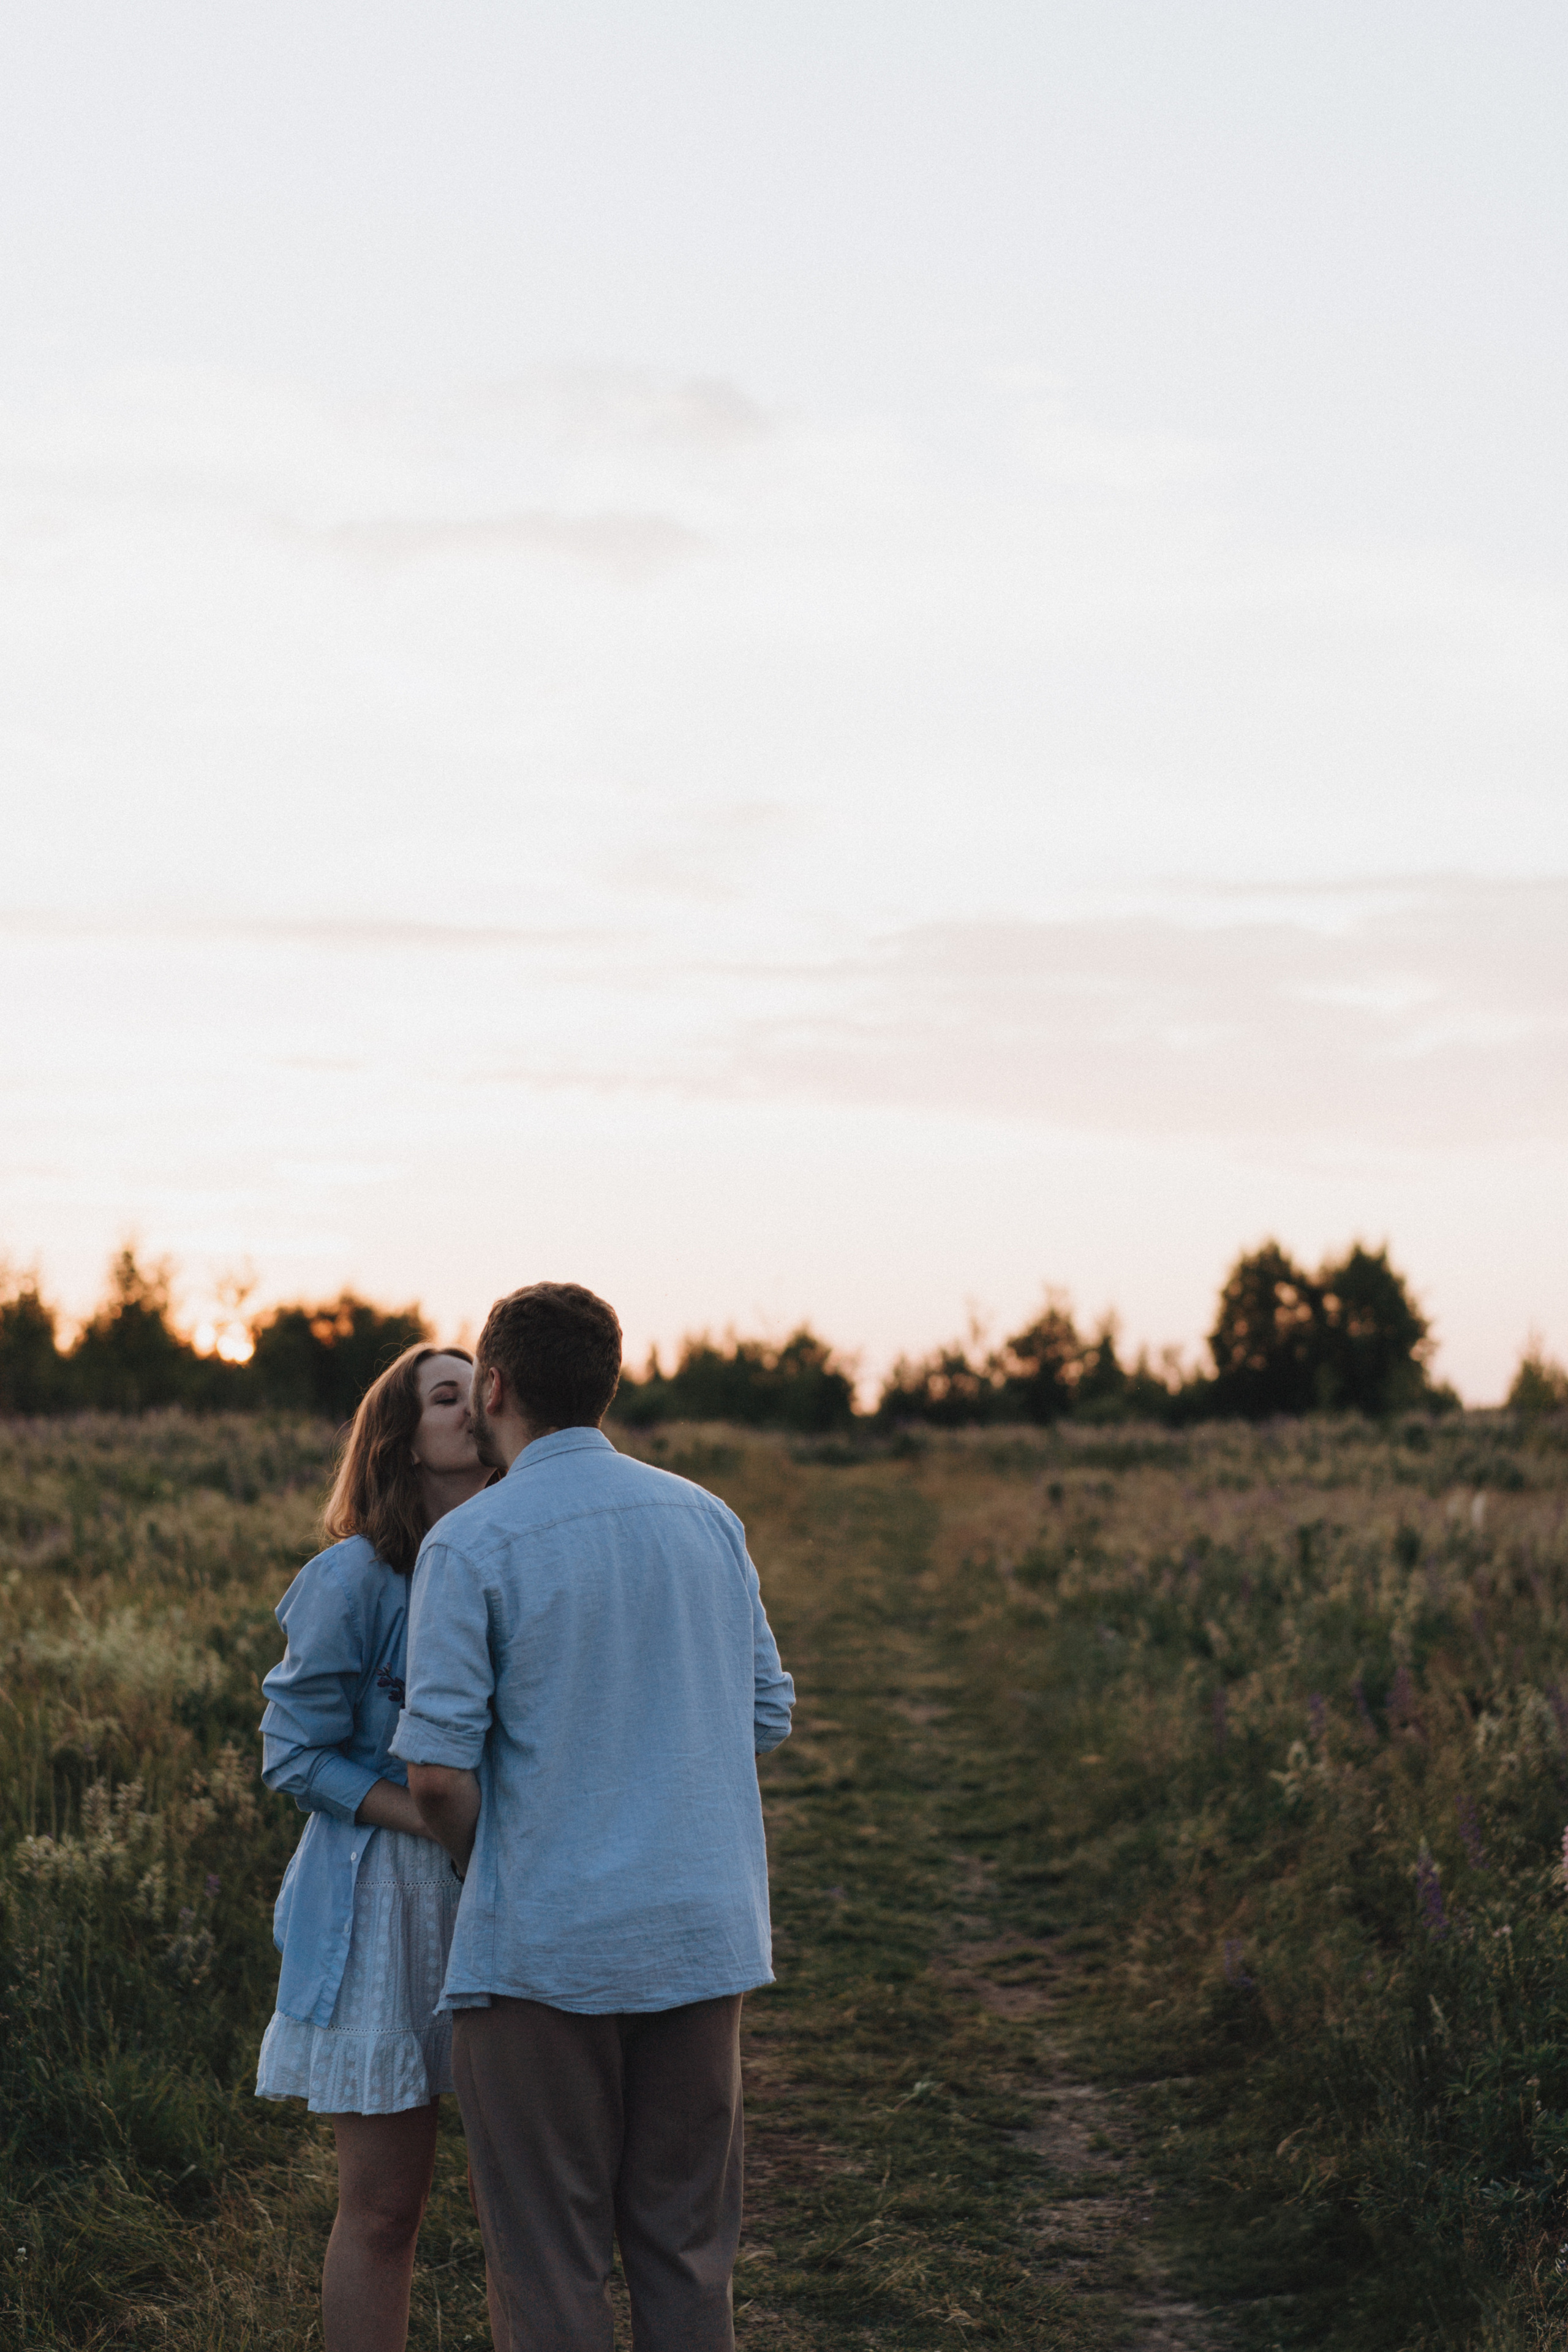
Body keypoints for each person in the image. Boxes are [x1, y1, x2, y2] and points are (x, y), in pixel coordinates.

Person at [390, 1281, 795, 2352]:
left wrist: (495, 1866)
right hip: (701, 1938)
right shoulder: (707, 1519)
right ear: (607, 1384)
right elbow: (768, 1710)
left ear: (496, 1385)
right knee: (686, 2254)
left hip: (542, 1953)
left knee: (550, 2265)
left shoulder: (473, 1542)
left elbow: (434, 1776)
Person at [255, 1344, 493, 2352]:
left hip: (503, 1882)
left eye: (484, 1391)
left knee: (526, 2208)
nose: (475, 1408)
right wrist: (435, 1823)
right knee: (386, 2208)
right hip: (386, 1894)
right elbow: (292, 1756)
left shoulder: (514, 1551)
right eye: (449, 1396)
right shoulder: (352, 1576)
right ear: (400, 1438)